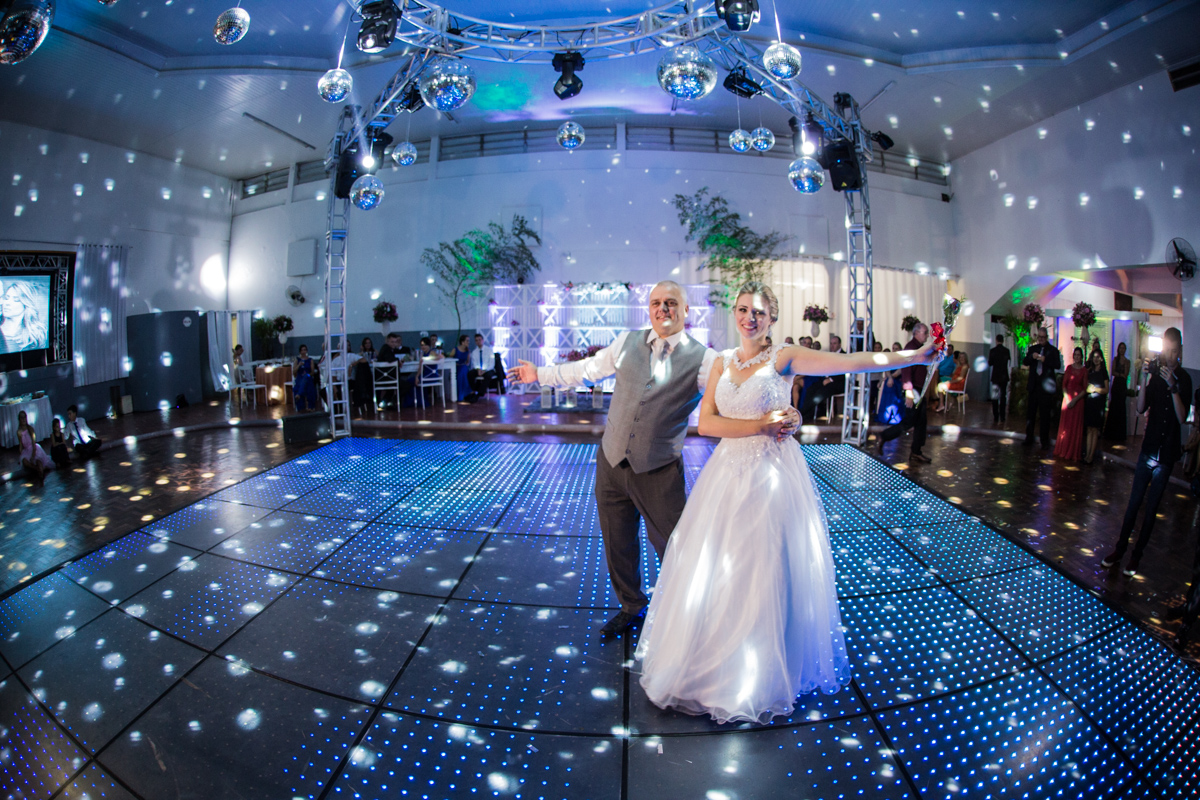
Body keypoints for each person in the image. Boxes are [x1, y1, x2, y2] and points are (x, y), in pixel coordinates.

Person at [635, 281, 934, 723]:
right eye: (742, 309)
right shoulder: (721, 361)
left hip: (771, 478)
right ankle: (708, 661)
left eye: (758, 311)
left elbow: (851, 362)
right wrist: (759, 425)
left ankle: (757, 672)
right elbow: (707, 425)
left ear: (772, 317)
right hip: (726, 476)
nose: (749, 318)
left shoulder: (784, 357)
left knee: (762, 569)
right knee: (716, 570)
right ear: (735, 313)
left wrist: (914, 356)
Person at [507, 281, 727, 636]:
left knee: (675, 546)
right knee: (617, 543)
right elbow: (586, 370)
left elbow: (728, 400)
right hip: (611, 463)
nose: (663, 309)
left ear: (686, 310)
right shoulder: (626, 342)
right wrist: (539, 375)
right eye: (656, 303)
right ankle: (631, 605)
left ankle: (689, 617)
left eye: (671, 302)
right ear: (649, 309)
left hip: (659, 471)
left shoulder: (705, 360)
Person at [1101, 328, 1192, 576]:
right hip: (1148, 449)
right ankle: (1119, 550)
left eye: (1174, 351)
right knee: (1133, 504)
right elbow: (1141, 408)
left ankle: (1136, 557)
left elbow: (1182, 417)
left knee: (1151, 509)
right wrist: (1143, 378)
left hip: (1166, 454)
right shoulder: (1157, 375)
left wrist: (1173, 387)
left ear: (1180, 351)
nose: (1170, 356)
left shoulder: (1184, 379)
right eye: (1167, 350)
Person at [876, 322, 932, 463]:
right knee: (909, 422)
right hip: (913, 390)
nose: (927, 335)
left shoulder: (919, 348)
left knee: (921, 422)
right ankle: (884, 436)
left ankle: (916, 451)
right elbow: (906, 370)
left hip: (918, 390)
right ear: (916, 333)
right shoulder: (911, 348)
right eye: (925, 332)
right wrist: (909, 392)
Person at [1024, 327, 1062, 448]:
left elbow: (1057, 365)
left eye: (1043, 337)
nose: (1041, 339)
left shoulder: (1053, 350)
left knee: (1045, 416)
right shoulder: (1033, 349)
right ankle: (1029, 438)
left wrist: (1046, 360)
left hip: (1045, 389)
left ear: (1047, 337)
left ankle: (1044, 441)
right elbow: (1025, 361)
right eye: (1039, 337)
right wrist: (1032, 357)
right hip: (1034, 387)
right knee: (1031, 414)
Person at [1053, 347, 1086, 461]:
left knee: (1074, 427)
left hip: (1078, 401)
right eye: (1075, 355)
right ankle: (1063, 449)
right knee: (1066, 426)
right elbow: (1064, 385)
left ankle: (1072, 452)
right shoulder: (1069, 368)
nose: (1077, 357)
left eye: (1078, 355)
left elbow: (1085, 389)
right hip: (1067, 400)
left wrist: (1075, 400)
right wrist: (1067, 399)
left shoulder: (1084, 370)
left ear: (1081, 357)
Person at [0, 280, 49, 354]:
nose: (7, 303)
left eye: (16, 300)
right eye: (6, 298)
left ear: (26, 303)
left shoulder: (35, 335)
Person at [1083, 347, 1109, 464]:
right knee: (1089, 429)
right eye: (1094, 357)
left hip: (1098, 404)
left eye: (1098, 357)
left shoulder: (1104, 372)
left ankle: (1091, 456)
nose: (1096, 359)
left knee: (1094, 429)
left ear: (1101, 359)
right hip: (1090, 402)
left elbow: (1106, 389)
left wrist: (1095, 389)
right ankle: (1087, 454)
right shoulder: (1090, 371)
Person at [17, 410, 53, 483]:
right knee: (25, 461)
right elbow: (21, 444)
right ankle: (37, 469)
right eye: (21, 418)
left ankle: (41, 474)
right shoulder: (19, 432)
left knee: (38, 460)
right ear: (19, 419)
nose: (23, 419)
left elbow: (34, 443)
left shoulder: (30, 429)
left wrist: (33, 455)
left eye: (24, 417)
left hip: (34, 448)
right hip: (26, 451)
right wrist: (20, 456)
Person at [1104, 342, 1130, 440]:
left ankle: (1120, 434)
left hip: (1122, 385)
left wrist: (1121, 374)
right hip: (1116, 384)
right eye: (1120, 348)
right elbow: (1113, 372)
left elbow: (1126, 374)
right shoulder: (1115, 359)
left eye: (1123, 348)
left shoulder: (1127, 361)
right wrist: (1120, 374)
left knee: (1121, 407)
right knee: (1114, 406)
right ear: (1118, 349)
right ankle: (1110, 433)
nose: (1122, 350)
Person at [988, 335, 1012, 424]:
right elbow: (1008, 361)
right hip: (1004, 376)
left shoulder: (993, 351)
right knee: (1003, 396)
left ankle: (995, 416)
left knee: (995, 396)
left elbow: (990, 363)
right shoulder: (1006, 351)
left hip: (995, 376)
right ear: (1003, 340)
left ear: (996, 340)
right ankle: (1002, 416)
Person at [468, 332, 498, 398]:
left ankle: (481, 392)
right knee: (470, 374)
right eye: (476, 340)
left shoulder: (489, 350)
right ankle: (474, 390)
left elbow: (492, 363)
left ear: (482, 340)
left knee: (488, 375)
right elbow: (474, 363)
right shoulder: (474, 352)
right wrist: (478, 369)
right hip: (479, 369)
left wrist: (485, 370)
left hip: (488, 369)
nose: (478, 342)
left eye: (479, 340)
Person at [293, 344, 321, 412]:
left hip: (308, 377)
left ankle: (299, 394)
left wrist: (307, 375)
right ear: (300, 351)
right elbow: (294, 372)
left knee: (306, 377)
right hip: (300, 377)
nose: (303, 351)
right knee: (304, 384)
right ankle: (304, 406)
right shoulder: (297, 360)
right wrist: (299, 365)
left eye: (305, 350)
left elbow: (312, 372)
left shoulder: (310, 360)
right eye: (302, 350)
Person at [352, 337, 376, 415]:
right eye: (366, 343)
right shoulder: (360, 355)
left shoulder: (374, 352)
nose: (368, 345)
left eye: (369, 343)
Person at [452, 335, 472, 401]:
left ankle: (463, 394)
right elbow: (450, 359)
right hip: (456, 368)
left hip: (464, 367)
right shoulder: (455, 349)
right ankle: (463, 393)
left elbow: (468, 362)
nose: (468, 342)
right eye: (467, 341)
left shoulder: (468, 351)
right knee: (461, 371)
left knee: (463, 369)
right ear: (462, 342)